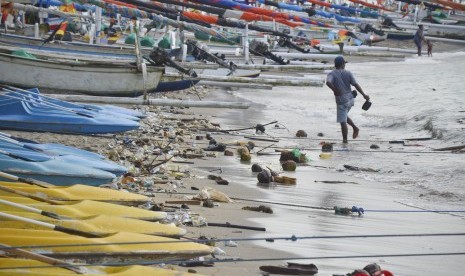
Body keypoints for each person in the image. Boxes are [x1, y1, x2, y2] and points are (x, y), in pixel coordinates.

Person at [326, 56, 370, 143]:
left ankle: (345, 141)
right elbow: (356, 85)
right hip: (351, 100)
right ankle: (355, 128)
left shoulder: (331, 74)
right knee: (344, 116)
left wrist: (335, 90)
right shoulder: (348, 73)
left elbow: (328, 82)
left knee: (343, 121)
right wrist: (364, 95)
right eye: (344, 64)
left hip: (342, 101)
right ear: (342, 64)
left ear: (336, 65)